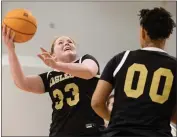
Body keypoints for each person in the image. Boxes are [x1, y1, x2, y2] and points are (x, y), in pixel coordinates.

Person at [2, 25, 104, 137]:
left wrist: (57, 65)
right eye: (60, 42)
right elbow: (22, 82)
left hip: (90, 130)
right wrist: (11, 50)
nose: (66, 43)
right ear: (53, 55)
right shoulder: (50, 76)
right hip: (59, 132)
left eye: (70, 42)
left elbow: (89, 71)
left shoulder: (85, 60)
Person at [91, 7, 176, 137]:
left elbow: (97, 102)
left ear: (143, 32)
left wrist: (115, 119)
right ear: (168, 35)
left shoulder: (121, 58)